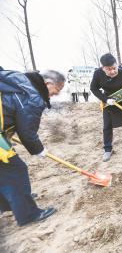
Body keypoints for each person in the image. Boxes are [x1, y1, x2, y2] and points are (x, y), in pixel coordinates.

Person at [0, 67, 65, 226]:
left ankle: (10, 202)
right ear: (48, 83)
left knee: (4, 169)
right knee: (16, 169)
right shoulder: (33, 95)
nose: (56, 95)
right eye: (57, 90)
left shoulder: (18, 79)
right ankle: (28, 214)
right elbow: (27, 133)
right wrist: (39, 149)